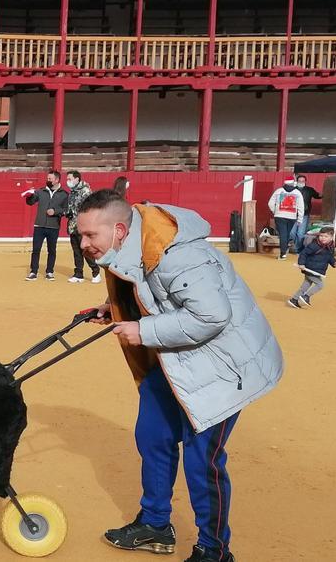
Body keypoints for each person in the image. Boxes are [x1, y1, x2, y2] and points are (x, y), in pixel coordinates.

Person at [76, 189, 283, 562]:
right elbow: (153, 290)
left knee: (202, 460)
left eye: (91, 235)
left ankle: (214, 550)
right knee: (152, 435)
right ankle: (156, 524)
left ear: (120, 230)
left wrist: (144, 331)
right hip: (180, 358)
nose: (83, 243)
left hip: (223, 366)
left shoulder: (178, 255)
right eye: (81, 234)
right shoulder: (136, 243)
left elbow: (211, 316)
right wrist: (116, 308)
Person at [22, 170, 68, 281]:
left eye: (50, 179)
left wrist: (55, 211)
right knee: (36, 249)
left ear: (56, 180)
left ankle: (50, 272)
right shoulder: (40, 191)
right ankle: (33, 272)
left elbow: (66, 210)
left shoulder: (64, 194)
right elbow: (30, 202)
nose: (48, 180)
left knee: (52, 250)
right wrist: (29, 196)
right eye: (47, 178)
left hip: (53, 226)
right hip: (39, 225)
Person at [62, 170, 101, 284]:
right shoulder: (72, 192)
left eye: (69, 179)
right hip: (73, 225)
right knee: (76, 251)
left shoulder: (85, 191)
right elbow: (71, 207)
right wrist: (67, 212)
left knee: (85, 250)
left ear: (77, 179)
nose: (68, 181)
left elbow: (90, 208)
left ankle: (96, 272)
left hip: (83, 226)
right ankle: (78, 274)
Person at [287, 228, 336, 309]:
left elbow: (329, 257)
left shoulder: (330, 247)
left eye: (326, 236)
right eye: (321, 236)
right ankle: (306, 296)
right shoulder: (314, 245)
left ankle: (294, 299)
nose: (323, 238)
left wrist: (334, 262)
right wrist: (301, 263)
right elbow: (303, 254)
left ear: (331, 237)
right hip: (310, 269)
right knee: (320, 285)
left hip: (318, 271)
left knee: (305, 285)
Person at [266, 177, 304, 260]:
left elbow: (270, 203)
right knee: (287, 233)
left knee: (283, 234)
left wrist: (275, 211)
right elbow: (301, 206)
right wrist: (300, 218)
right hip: (292, 216)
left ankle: (283, 253)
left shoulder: (279, 191)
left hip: (280, 215)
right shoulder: (297, 193)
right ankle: (284, 250)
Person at [292, 175, 321, 253]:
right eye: (299, 181)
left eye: (303, 181)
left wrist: (325, 194)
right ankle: (298, 247)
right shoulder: (292, 190)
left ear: (305, 182)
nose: (301, 182)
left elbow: (317, 196)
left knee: (300, 233)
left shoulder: (309, 190)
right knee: (292, 233)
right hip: (293, 214)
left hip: (304, 213)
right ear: (297, 182)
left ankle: (298, 249)